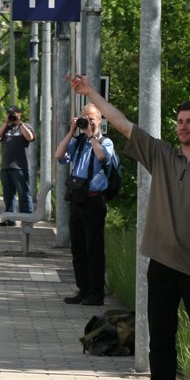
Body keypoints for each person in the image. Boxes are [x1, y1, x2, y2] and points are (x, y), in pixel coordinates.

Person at [68, 74, 190, 380]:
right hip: (161, 263)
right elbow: (122, 123)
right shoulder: (162, 156)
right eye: (179, 122)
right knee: (160, 337)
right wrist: (91, 93)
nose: (183, 127)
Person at [55, 103, 115, 306]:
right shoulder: (78, 142)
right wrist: (72, 131)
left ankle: (96, 294)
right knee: (78, 248)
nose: (87, 122)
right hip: (77, 199)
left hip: (94, 200)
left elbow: (102, 157)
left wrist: (91, 136)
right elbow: (59, 155)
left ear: (99, 120)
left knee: (94, 249)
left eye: (91, 119)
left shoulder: (105, 142)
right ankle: (83, 289)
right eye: (84, 118)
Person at [0, 105, 36, 226]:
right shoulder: (6, 128)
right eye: (9, 113)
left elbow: (30, 137)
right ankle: (10, 219)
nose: (12, 116)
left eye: (14, 113)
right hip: (6, 166)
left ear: (20, 114)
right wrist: (6, 123)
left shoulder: (26, 126)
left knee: (23, 194)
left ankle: (27, 219)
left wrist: (19, 123)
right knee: (8, 194)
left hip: (20, 167)